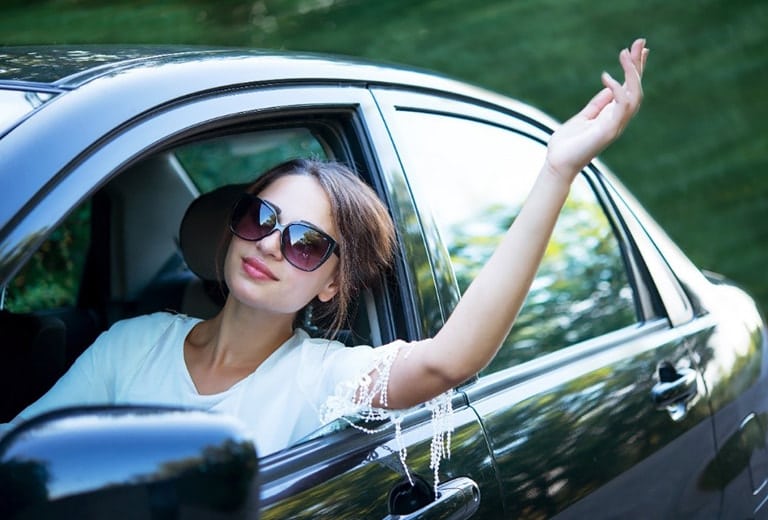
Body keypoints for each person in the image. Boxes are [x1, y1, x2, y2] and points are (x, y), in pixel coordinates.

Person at [4, 39, 648, 483]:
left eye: (306, 243)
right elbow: (17, 464)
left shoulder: (322, 380)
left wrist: (558, 170)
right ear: (233, 228)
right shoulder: (130, 345)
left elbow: (451, 359)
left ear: (331, 282)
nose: (269, 245)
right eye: (260, 218)